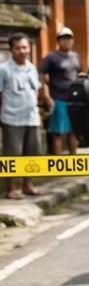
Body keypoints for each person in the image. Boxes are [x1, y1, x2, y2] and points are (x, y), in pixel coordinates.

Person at [1, 33, 50, 199]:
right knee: (12, 155)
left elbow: (36, 90)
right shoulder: (3, 70)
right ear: (11, 49)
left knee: (32, 153)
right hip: (12, 118)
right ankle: (10, 189)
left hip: (32, 118)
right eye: (18, 48)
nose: (22, 51)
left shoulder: (32, 68)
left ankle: (28, 186)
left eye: (25, 47)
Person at [39, 26, 81, 155]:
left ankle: (73, 159)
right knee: (58, 131)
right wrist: (46, 95)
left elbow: (79, 73)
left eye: (69, 39)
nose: (66, 41)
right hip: (58, 98)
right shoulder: (51, 57)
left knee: (74, 130)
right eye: (63, 39)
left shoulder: (75, 56)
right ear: (58, 41)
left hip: (74, 99)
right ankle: (58, 162)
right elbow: (41, 74)